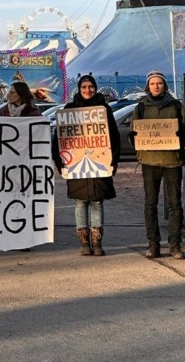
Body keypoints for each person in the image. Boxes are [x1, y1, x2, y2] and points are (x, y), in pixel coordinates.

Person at [55, 75, 120, 256]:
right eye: (84, 87)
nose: (87, 90)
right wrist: (61, 163)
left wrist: (113, 161)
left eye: (90, 87)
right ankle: (84, 243)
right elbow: (59, 141)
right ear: (79, 88)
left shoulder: (104, 110)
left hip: (100, 163)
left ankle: (97, 243)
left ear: (95, 88)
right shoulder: (69, 110)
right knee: (81, 203)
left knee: (97, 203)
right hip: (76, 165)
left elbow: (113, 138)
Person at [132, 71, 185, 259]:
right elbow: (135, 130)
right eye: (153, 83)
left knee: (175, 204)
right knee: (150, 204)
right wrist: (135, 139)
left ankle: (175, 245)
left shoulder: (176, 106)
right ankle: (153, 244)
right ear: (148, 86)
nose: (156, 86)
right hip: (149, 161)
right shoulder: (141, 107)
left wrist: (182, 137)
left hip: (172, 160)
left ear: (164, 85)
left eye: (160, 83)